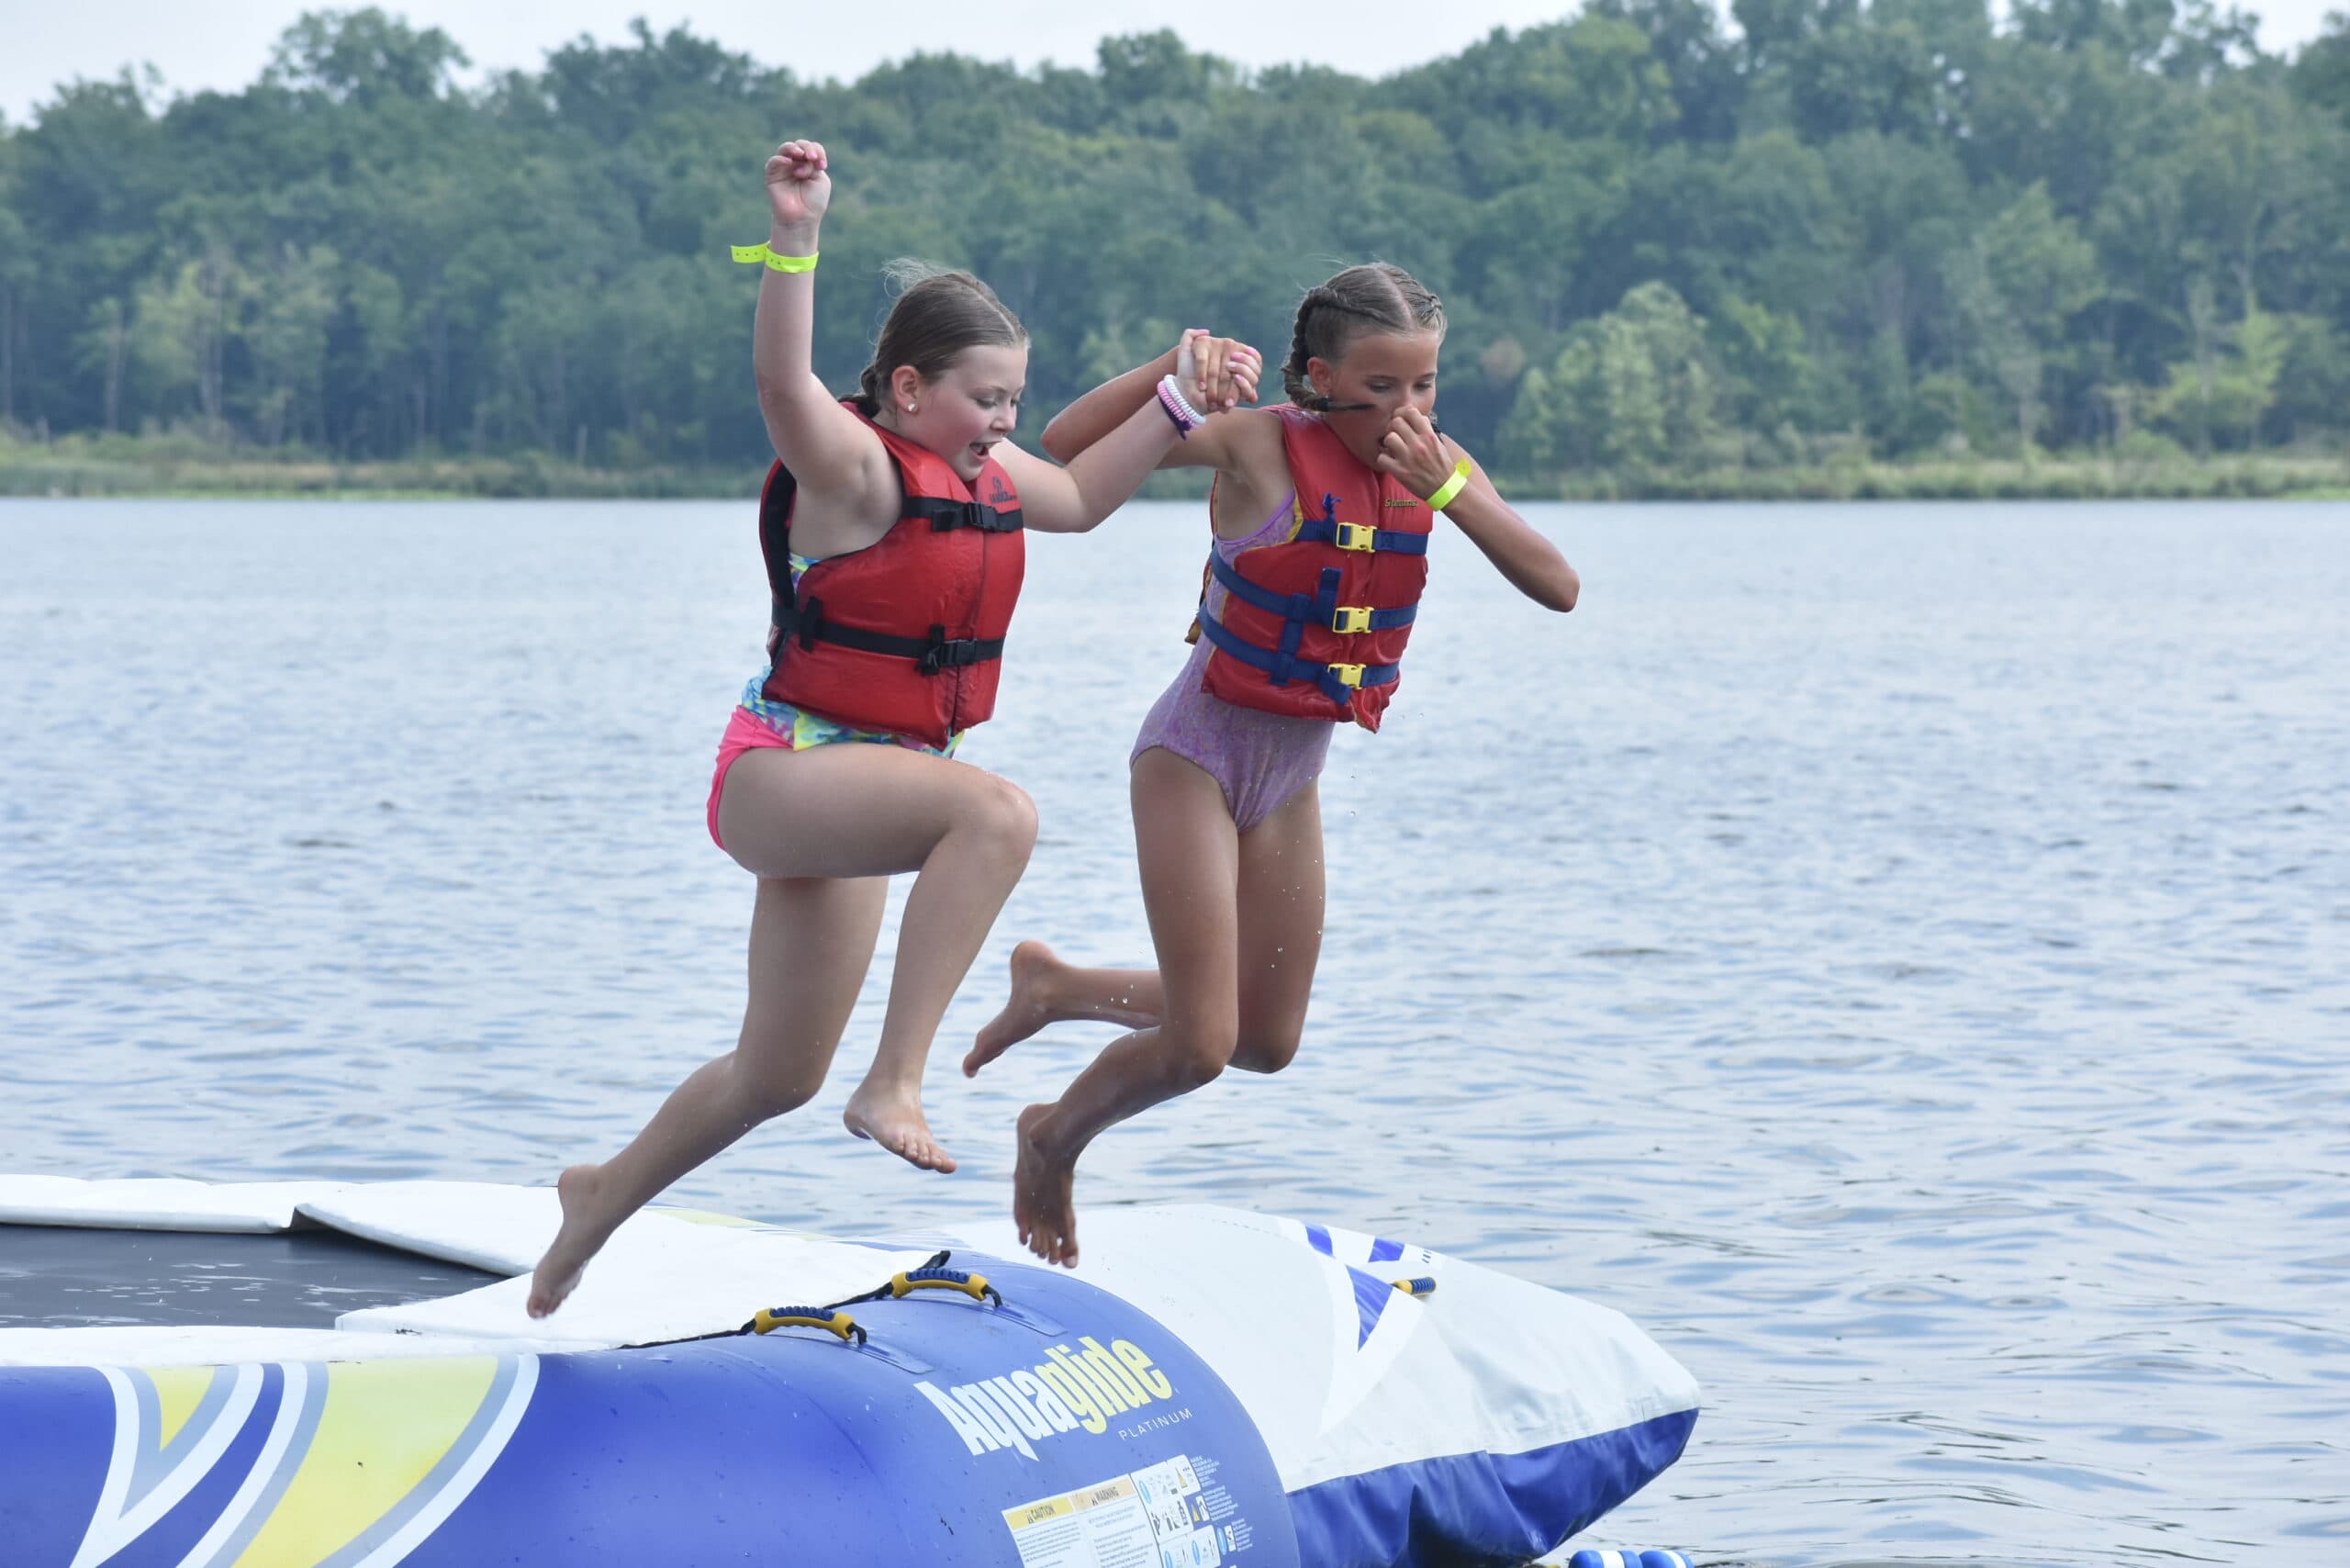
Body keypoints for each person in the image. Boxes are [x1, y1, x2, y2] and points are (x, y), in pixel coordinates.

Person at [527, 140, 1256, 1316]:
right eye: (985, 398)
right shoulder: (855, 469)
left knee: (773, 1074)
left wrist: (1174, 395)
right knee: (998, 814)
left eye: (1014, 399)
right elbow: (780, 383)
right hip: (785, 771)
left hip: (877, 784)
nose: (1005, 421)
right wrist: (795, 236)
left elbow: (1078, 496)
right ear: (908, 389)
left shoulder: (989, 474)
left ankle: (597, 1200)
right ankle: (899, 1080)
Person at [966, 263, 1580, 1268]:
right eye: (1379, 387)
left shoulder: (1439, 466)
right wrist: (1172, 375)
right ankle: (1050, 1137)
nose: (1404, 410)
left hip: (1290, 779)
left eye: (1423, 386)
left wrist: (1452, 488)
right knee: (1202, 1046)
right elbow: (1068, 447)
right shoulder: (1255, 444)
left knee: (1265, 1041)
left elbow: (1557, 585)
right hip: (1194, 758)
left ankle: (1058, 985)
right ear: (1315, 378)